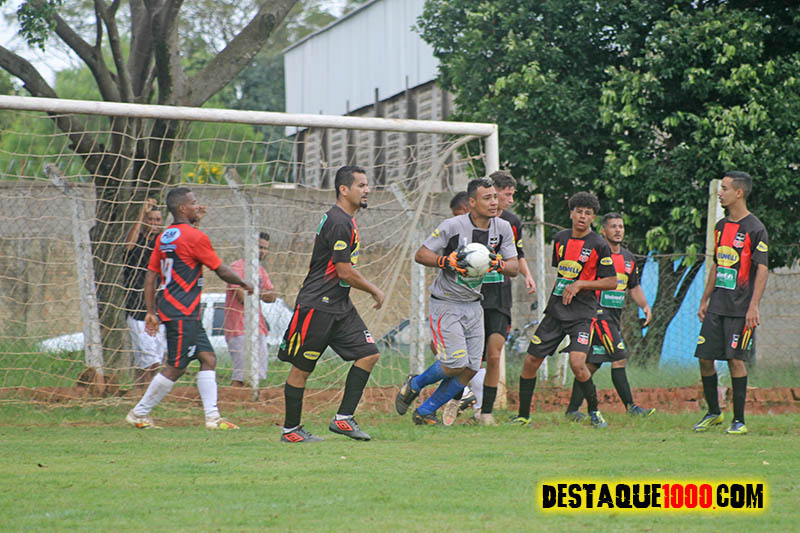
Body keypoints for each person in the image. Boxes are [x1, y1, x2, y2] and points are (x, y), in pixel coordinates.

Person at [125, 187, 253, 430]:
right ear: (182, 208)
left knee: (208, 358)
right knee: (176, 366)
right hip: (181, 311)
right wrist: (243, 282)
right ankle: (139, 413)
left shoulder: (165, 236)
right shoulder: (195, 237)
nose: (198, 206)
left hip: (177, 309)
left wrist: (151, 311)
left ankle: (212, 417)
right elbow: (219, 268)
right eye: (194, 203)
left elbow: (151, 276)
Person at [395, 177, 519, 425]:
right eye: (487, 198)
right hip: (447, 302)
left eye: (495, 197)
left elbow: (514, 267)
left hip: (474, 304)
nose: (494, 202)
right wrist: (445, 261)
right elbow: (421, 254)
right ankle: (415, 384)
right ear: (472, 202)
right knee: (455, 363)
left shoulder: (503, 228)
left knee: (471, 367)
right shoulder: (453, 225)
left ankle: (425, 411)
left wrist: (499, 264)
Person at [277, 165, 385, 443]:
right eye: (361, 185)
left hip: (339, 305)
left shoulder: (346, 220)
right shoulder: (338, 221)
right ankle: (291, 431)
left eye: (367, 185)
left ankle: (343, 419)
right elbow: (344, 271)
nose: (367, 190)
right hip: (318, 305)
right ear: (343, 190)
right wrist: (374, 290)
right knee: (302, 368)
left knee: (369, 353)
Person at [511, 191, 617, 428]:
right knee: (531, 361)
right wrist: (569, 285)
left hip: (582, 314)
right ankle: (523, 416)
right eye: (579, 212)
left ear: (593, 218)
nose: (582, 216)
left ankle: (594, 412)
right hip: (557, 311)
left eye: (588, 213)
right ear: (571, 214)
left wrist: (580, 284)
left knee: (577, 364)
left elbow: (612, 281)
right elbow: (563, 272)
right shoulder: (560, 239)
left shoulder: (599, 245)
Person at [693, 171, 768, 435]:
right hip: (717, 305)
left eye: (724, 188)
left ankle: (739, 420)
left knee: (735, 360)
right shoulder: (721, 227)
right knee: (704, 358)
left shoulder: (755, 229)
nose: (720, 193)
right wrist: (705, 298)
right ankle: (714, 413)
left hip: (740, 308)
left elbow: (762, 269)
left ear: (739, 192)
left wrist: (753, 305)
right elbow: (717, 264)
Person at [564, 213, 655, 419]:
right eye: (613, 226)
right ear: (603, 231)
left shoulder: (629, 258)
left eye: (620, 226)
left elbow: (634, 286)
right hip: (597, 314)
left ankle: (572, 411)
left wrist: (645, 305)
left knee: (592, 364)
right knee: (619, 358)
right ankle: (631, 407)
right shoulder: (596, 254)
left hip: (613, 316)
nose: (618, 230)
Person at [123, 198, 166, 393]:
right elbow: (128, 246)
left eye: (158, 220)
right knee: (151, 360)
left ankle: (138, 392)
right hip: (137, 308)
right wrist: (141, 213)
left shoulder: (162, 243)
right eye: (151, 219)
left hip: (159, 309)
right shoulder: (136, 240)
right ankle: (148, 396)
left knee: (151, 360)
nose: (155, 223)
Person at [224, 231, 276, 387]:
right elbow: (242, 297)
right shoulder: (237, 267)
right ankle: (233, 400)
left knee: (256, 376)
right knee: (241, 375)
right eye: (259, 247)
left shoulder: (260, 270)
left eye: (265, 248)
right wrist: (261, 293)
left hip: (258, 328)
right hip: (239, 328)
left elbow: (272, 296)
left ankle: (250, 400)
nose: (263, 251)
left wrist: (254, 291)